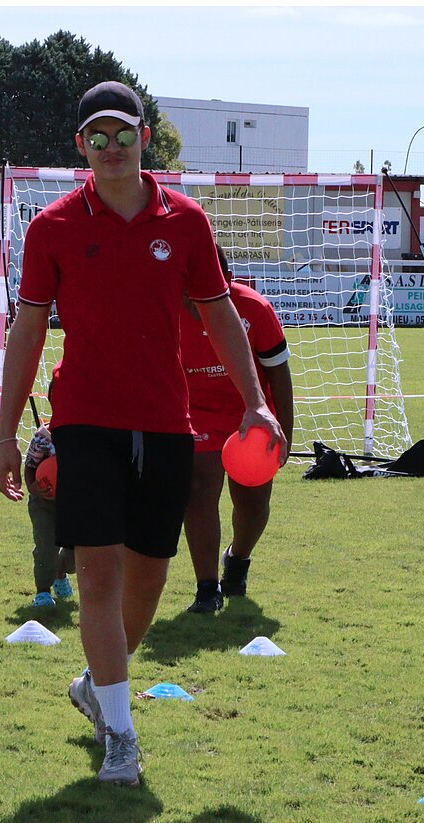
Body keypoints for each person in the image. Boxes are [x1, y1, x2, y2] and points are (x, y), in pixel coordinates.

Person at [0, 80, 287, 786]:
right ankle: (121, 738)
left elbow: (220, 314)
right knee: (98, 574)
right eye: (98, 137)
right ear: (80, 146)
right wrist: (4, 433)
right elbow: (27, 331)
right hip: (84, 420)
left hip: (165, 422)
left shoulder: (186, 220)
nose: (112, 147)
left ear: (143, 138)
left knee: (150, 575)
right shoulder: (52, 227)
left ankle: (98, 686)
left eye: (123, 134)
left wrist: (256, 402)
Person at [182, 245, 295, 614]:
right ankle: (206, 588)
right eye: (189, 291)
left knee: (253, 503)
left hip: (252, 411)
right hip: (197, 414)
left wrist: (285, 431)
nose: (195, 301)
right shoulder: (166, 309)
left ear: (227, 281)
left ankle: (238, 558)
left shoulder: (255, 309)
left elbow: (279, 374)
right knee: (199, 490)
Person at [24, 379, 75, 608]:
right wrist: (32, 487)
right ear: (51, 400)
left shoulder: (85, 437)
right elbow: (29, 467)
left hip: (75, 503)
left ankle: (60, 572)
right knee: (46, 547)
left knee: (76, 554)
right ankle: (42, 592)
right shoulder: (43, 436)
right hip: (44, 502)